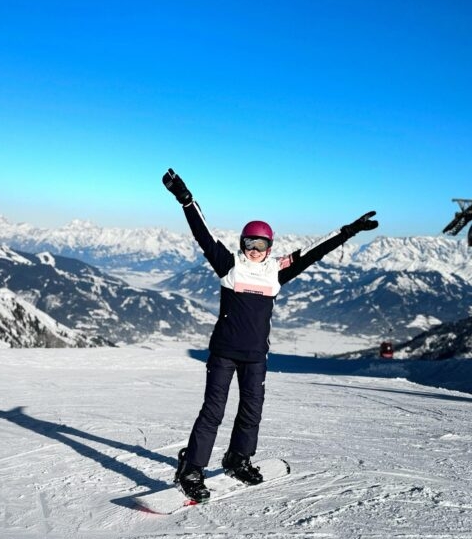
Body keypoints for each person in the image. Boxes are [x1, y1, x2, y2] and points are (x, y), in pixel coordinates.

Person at [162, 167, 378, 501]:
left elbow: (316, 251)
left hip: (255, 357)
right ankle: (191, 469)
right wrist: (186, 199)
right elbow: (203, 235)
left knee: (252, 411)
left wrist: (348, 231)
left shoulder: (276, 272)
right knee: (213, 412)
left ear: (269, 246)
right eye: (250, 243)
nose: (254, 249)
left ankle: (238, 458)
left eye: (261, 244)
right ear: (242, 243)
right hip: (223, 353)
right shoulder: (229, 265)